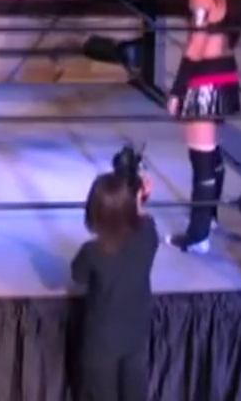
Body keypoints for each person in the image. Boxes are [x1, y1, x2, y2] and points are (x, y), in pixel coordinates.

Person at [165, 0, 241, 253]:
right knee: (212, 151)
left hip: (204, 79)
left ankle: (198, 235)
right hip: (226, 73)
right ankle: (208, 219)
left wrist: (177, 89)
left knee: (201, 157)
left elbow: (196, 45)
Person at [71, 169, 158, 401]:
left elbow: (77, 276)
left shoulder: (92, 252)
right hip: (136, 334)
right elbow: (142, 219)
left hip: (102, 343)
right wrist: (138, 198)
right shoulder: (148, 236)